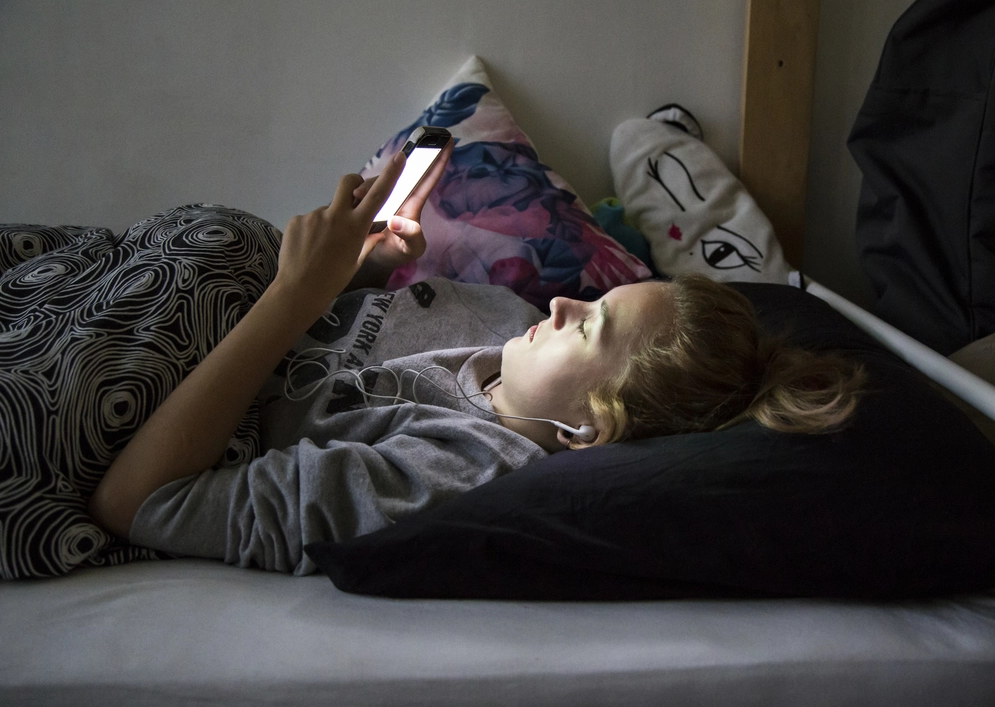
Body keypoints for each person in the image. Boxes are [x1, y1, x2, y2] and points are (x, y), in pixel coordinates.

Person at [88, 138, 864, 575]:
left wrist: (291, 296)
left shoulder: (446, 470)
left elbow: (139, 504)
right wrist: (364, 270)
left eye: (586, 326)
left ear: (590, 430)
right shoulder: (507, 314)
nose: (563, 301)